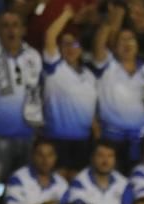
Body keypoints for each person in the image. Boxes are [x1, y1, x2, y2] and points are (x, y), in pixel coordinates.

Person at [91, 3, 144, 171]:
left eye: (131, 40)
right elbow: (99, 44)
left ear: (137, 45)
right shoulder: (106, 66)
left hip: (140, 138)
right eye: (122, 40)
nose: (127, 43)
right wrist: (111, 20)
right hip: (111, 138)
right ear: (114, 47)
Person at [40, 6, 97, 179]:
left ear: (81, 48)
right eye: (66, 43)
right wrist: (66, 14)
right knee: (57, 183)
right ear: (60, 48)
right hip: (57, 139)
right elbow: (49, 36)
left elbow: (91, 108)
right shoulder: (54, 68)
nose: (71, 48)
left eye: (75, 44)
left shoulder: (90, 75)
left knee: (79, 184)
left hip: (84, 141)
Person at [0, 10, 43, 184]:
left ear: (23, 30)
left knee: (23, 183)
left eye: (15, 25)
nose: (11, 31)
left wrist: (37, 126)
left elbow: (37, 93)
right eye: (5, 26)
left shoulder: (33, 56)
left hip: (27, 135)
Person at [60, 140, 129, 204]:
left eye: (110, 156)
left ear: (115, 160)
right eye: (100, 155)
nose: (105, 161)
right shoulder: (79, 182)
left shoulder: (124, 183)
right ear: (92, 158)